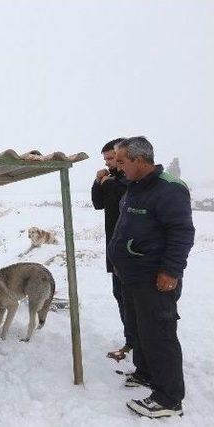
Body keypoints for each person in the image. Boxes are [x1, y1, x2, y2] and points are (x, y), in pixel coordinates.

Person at [107, 137, 194, 418]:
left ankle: (169, 399)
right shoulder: (135, 186)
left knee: (159, 334)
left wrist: (170, 272)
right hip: (132, 275)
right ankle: (145, 373)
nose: (118, 167)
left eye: (121, 161)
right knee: (139, 328)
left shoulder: (169, 189)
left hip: (154, 278)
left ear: (139, 161)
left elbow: (182, 233)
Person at [91, 138, 132, 360]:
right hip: (114, 247)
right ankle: (131, 340)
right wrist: (98, 182)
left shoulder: (129, 180)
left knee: (132, 299)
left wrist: (107, 183)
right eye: (105, 159)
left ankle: (137, 343)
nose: (108, 163)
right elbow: (98, 203)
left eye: (111, 158)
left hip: (130, 250)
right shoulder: (112, 178)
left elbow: (122, 194)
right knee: (120, 295)